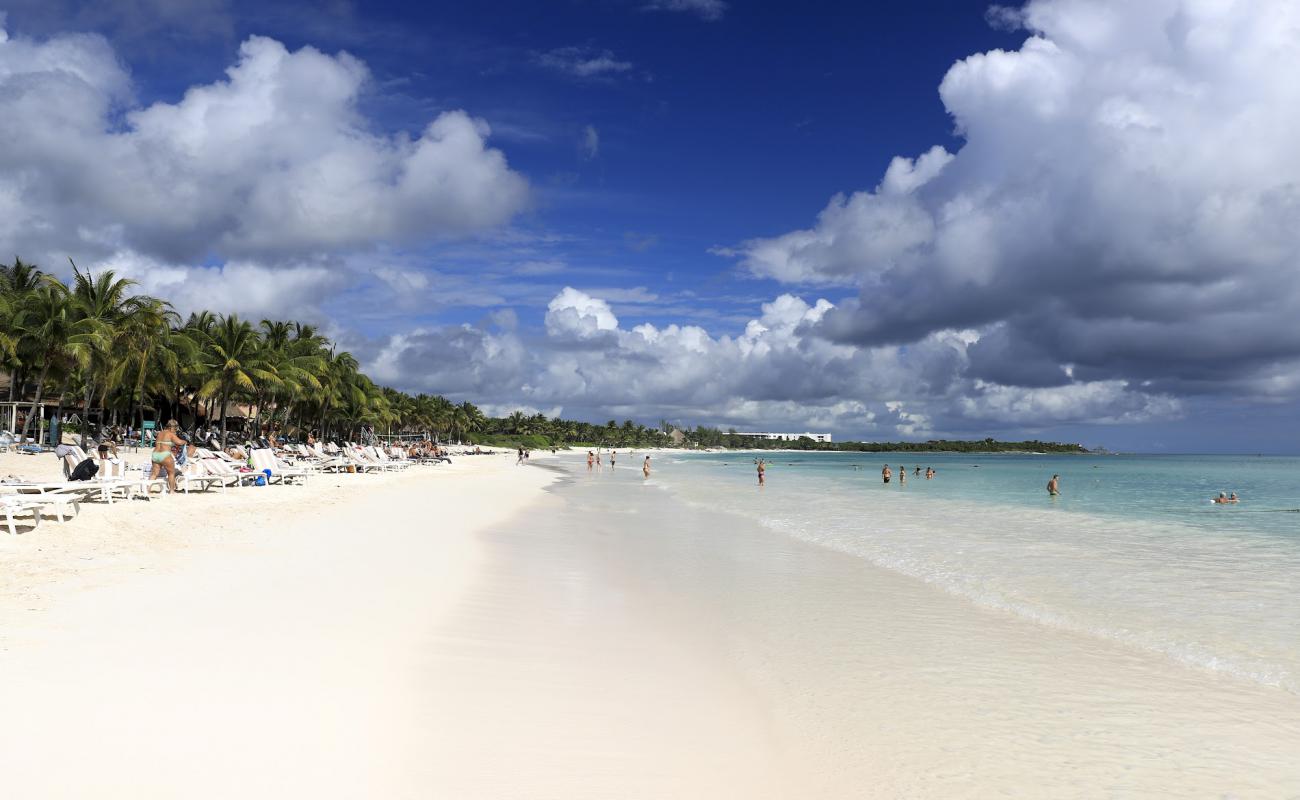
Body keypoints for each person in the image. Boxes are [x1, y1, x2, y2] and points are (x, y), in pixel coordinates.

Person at [149, 419, 187, 493]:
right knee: (171, 473)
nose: (175, 431)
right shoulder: (170, 434)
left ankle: (148, 489)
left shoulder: (160, 433)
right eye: (175, 429)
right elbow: (179, 442)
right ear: (172, 427)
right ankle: (172, 491)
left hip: (155, 454)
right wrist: (185, 441)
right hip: (165, 455)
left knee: (154, 474)